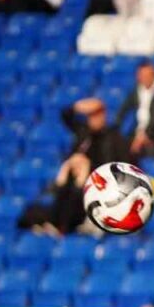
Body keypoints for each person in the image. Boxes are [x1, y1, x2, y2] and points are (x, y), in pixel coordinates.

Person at [24, 98, 130, 236]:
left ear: (103, 115)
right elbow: (65, 116)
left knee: (75, 196)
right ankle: (54, 225)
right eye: (90, 115)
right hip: (72, 180)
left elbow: (118, 166)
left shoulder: (113, 137)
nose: (93, 119)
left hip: (95, 185)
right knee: (40, 206)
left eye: (97, 114)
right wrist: (77, 106)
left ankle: (63, 227)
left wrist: (87, 167)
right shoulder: (83, 131)